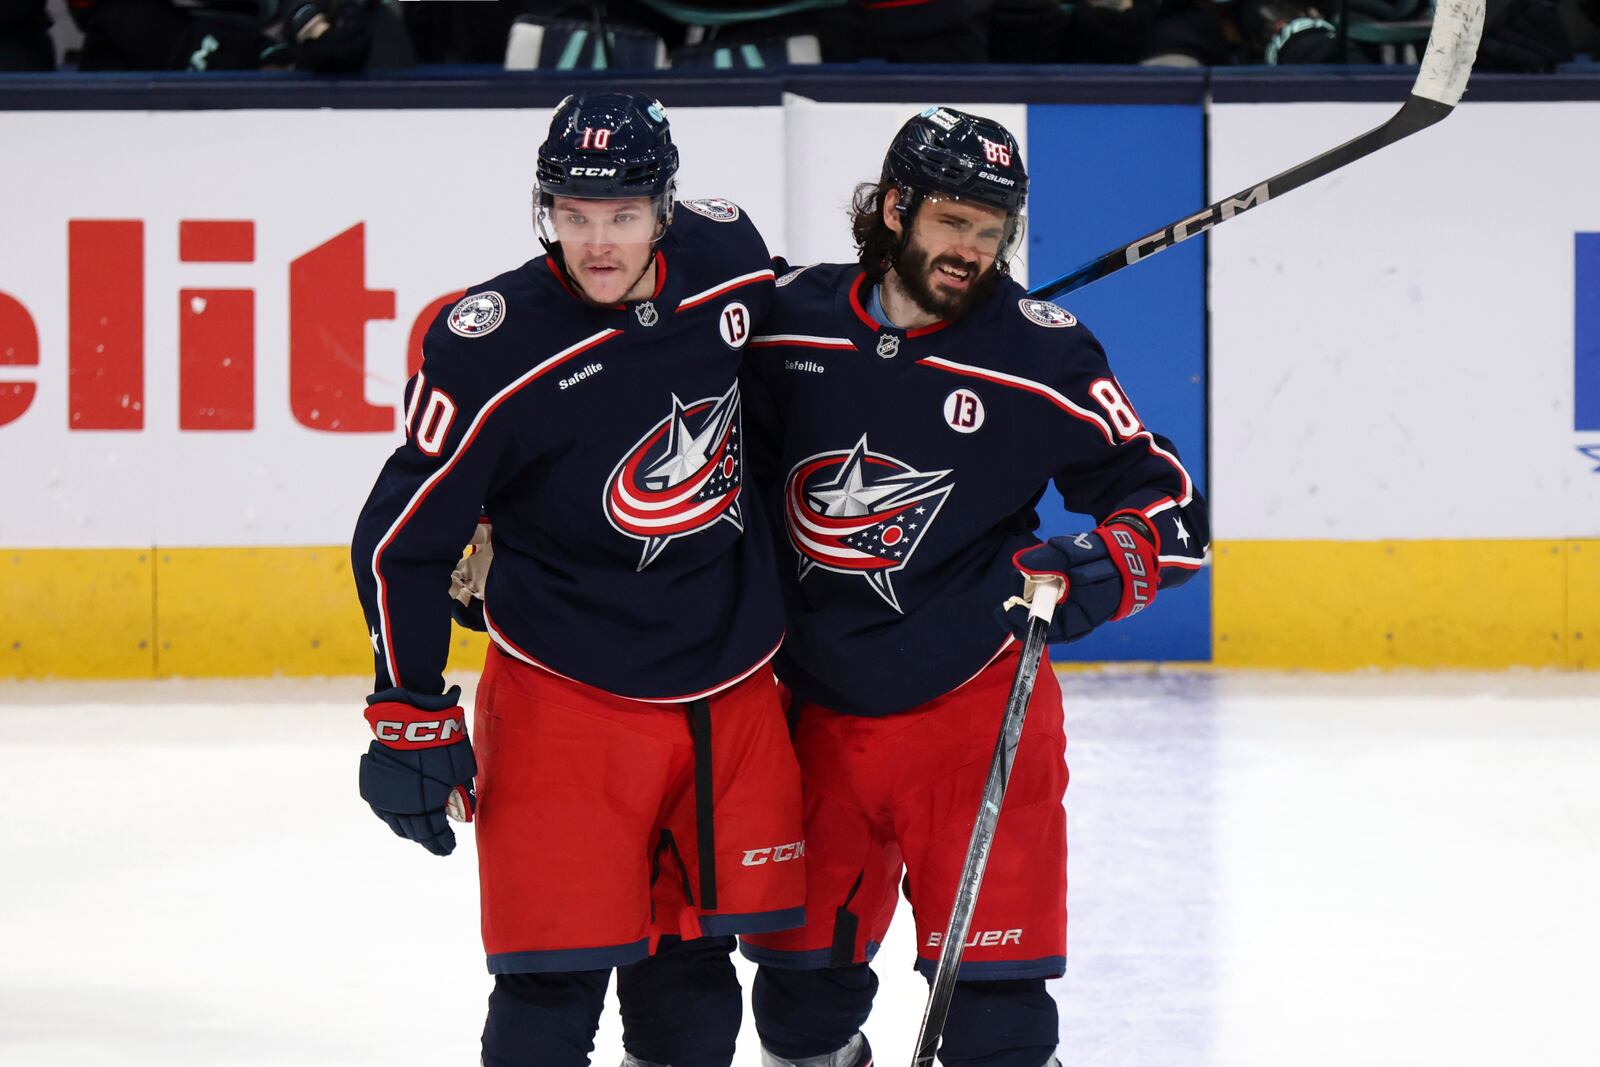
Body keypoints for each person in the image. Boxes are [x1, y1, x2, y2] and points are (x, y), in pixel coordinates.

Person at [737, 107, 1210, 1067]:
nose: (973, 250)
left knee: (1001, 1028)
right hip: (811, 714)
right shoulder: (787, 323)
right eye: (954, 222)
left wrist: (1107, 564)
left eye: (993, 232)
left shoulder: (1041, 352)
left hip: (978, 712)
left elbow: (1171, 512)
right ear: (897, 208)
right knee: (796, 1012)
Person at [349, 91, 806, 1067]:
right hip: (566, 696)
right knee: (548, 984)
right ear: (546, 209)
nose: (598, 243)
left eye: (624, 216)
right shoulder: (492, 343)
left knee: (692, 972)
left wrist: (934, 331)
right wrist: (407, 703)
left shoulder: (727, 261)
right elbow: (399, 540)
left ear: (664, 209)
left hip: (724, 688)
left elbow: (809, 341)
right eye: (575, 215)